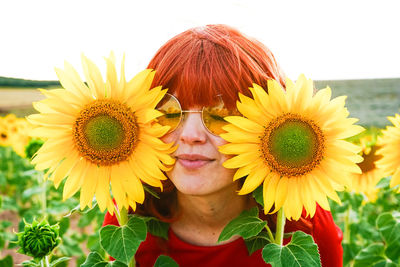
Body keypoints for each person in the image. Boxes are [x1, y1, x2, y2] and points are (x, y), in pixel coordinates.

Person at [103, 24, 343, 267]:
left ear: (268, 129)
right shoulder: (129, 218)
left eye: (219, 115)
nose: (190, 135)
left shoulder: (301, 225)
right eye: (170, 112)